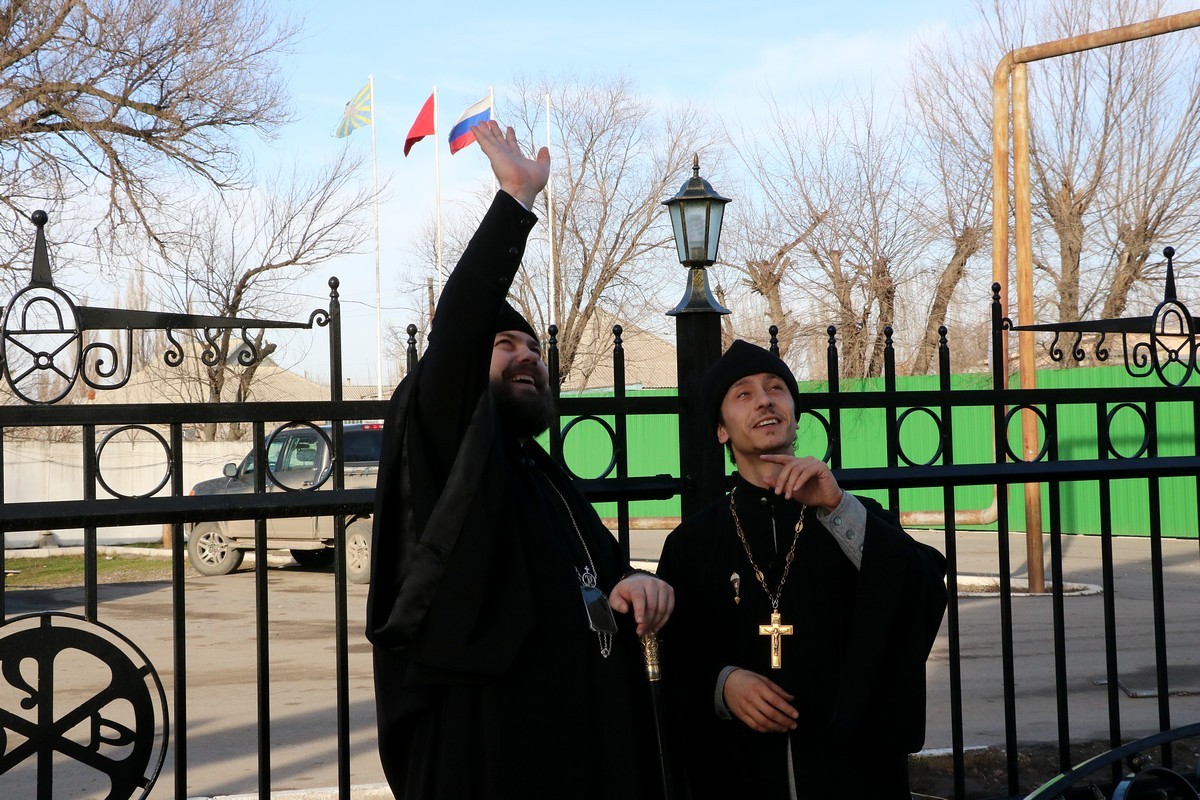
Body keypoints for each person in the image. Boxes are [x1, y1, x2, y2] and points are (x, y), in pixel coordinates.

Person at [365, 121, 674, 800]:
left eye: (533, 348)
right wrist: (516, 200)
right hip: (487, 740)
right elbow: (458, 332)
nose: (527, 356)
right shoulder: (448, 434)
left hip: (574, 734)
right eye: (505, 344)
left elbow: (589, 572)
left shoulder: (538, 470)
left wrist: (631, 583)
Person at [656, 340, 947, 800]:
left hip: (850, 771)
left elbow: (920, 590)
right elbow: (669, 655)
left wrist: (837, 507)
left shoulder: (852, 514)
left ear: (794, 414)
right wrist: (721, 684)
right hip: (737, 770)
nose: (765, 400)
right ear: (721, 430)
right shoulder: (691, 544)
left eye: (776, 388)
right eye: (743, 393)